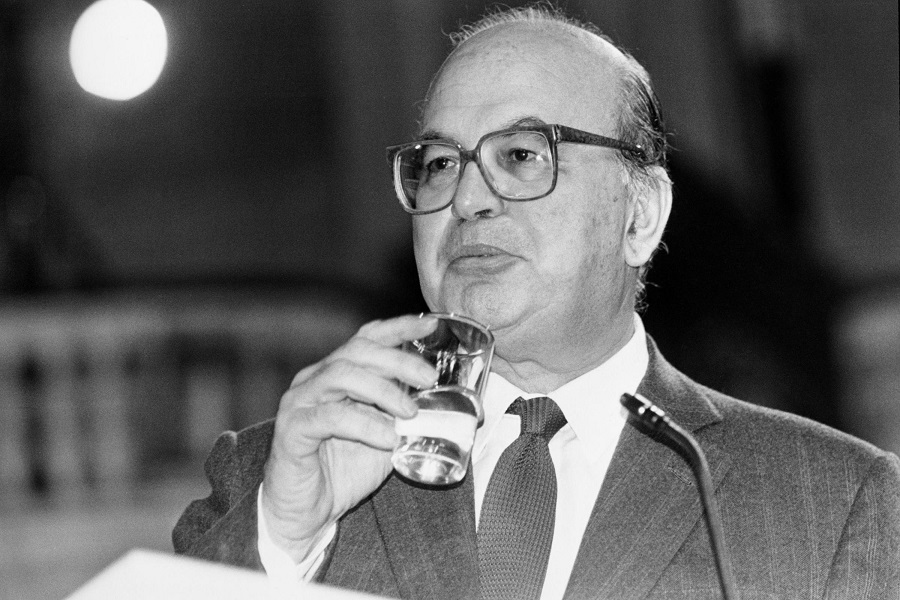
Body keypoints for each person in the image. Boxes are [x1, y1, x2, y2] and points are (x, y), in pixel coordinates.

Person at [173, 5, 900, 599]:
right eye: (439, 164)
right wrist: (286, 543)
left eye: (521, 156)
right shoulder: (275, 478)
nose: (466, 198)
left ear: (640, 215)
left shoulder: (832, 502)